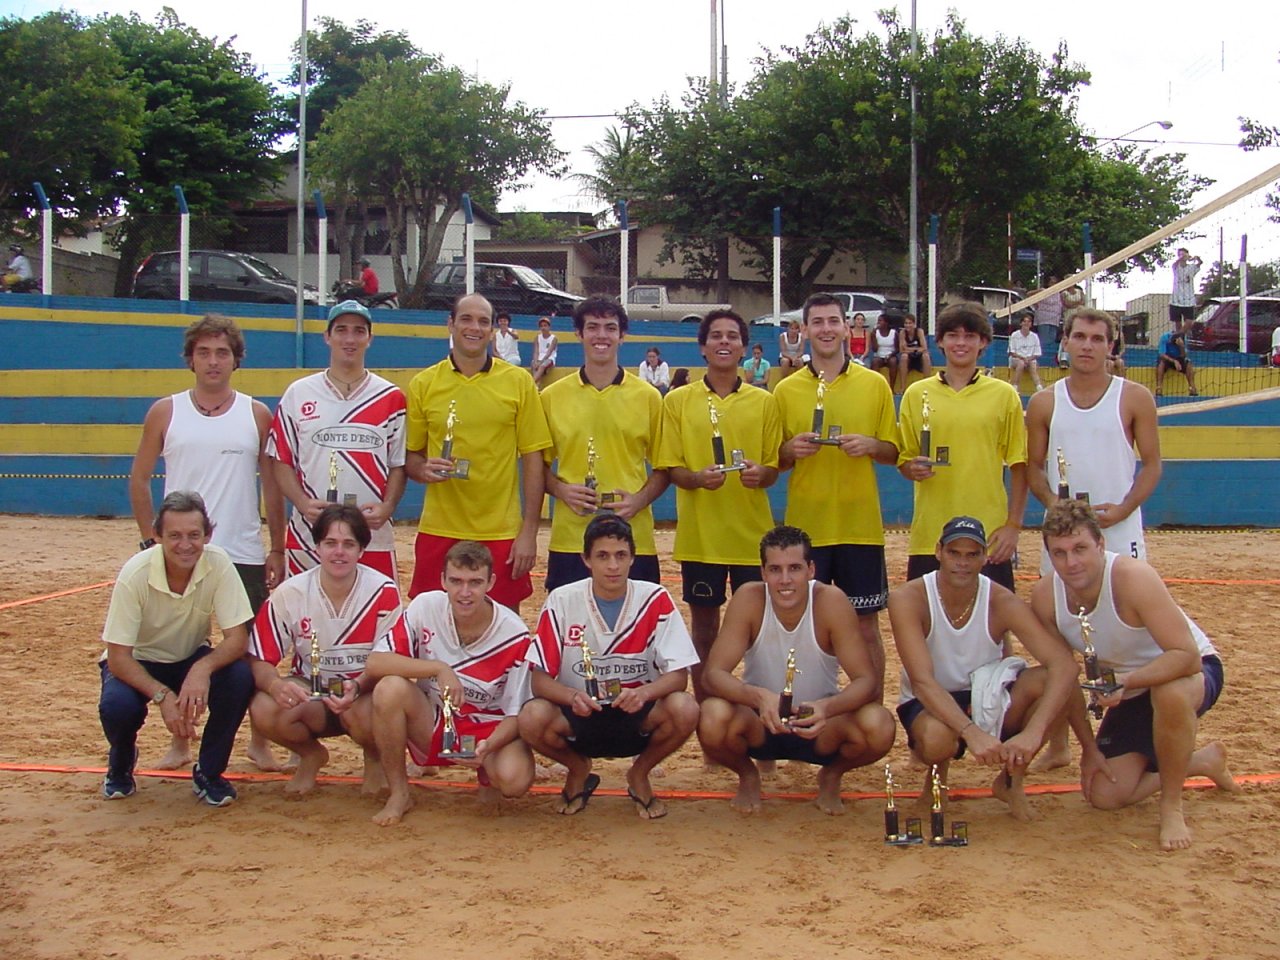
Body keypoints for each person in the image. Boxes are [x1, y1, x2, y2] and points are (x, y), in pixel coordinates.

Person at [1031, 499, 1238, 850]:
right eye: (1060, 553)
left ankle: (1171, 806)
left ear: (1100, 544)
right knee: (1105, 795)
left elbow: (1185, 656)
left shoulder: (1132, 578)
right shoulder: (1045, 597)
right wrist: (1087, 747)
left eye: (1080, 548)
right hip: (1128, 687)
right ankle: (1200, 761)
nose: (1072, 562)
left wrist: (1126, 681)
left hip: (1187, 671)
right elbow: (1063, 677)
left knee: (1169, 694)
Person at [129, 314, 286, 772]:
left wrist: (275, 546)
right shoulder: (165, 411)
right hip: (180, 552)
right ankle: (180, 742)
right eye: (204, 352)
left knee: (256, 649)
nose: (213, 361)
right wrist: (148, 541)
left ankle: (261, 740)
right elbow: (140, 479)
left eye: (222, 352)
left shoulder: (256, 414)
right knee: (179, 651)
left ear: (236, 360)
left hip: (240, 550)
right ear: (190, 359)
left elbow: (271, 487)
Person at [887, 516, 1078, 822]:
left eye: (972, 554)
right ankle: (937, 780)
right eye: (955, 553)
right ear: (938, 552)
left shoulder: (1002, 600)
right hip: (930, 701)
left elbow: (1065, 666)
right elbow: (922, 682)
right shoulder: (908, 598)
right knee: (937, 739)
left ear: (986, 557)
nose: (962, 562)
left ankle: (1012, 780)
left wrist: (1034, 732)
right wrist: (971, 733)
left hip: (986, 693)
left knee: (1050, 682)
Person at [698, 526, 896, 814]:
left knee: (879, 724)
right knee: (711, 715)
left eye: (795, 568)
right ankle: (748, 775)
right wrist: (758, 697)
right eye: (775, 570)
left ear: (811, 569)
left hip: (819, 726)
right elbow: (713, 674)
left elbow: (867, 681)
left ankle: (832, 775)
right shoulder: (749, 598)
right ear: (763, 573)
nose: (785, 579)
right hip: (760, 723)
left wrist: (826, 707)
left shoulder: (831, 601)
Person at [518, 515, 700, 819]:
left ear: (632, 558)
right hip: (580, 713)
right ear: (586, 560)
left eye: (620, 556)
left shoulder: (655, 598)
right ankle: (578, 769)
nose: (613, 566)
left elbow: (679, 677)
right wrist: (570, 697)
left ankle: (639, 774)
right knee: (531, 717)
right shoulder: (562, 601)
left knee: (686, 708)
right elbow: (539, 681)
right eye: (602, 556)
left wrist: (644, 693)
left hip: (636, 714)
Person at [774, 293, 899, 690]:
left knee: (866, 629)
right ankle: (804, 715)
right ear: (805, 330)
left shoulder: (875, 385)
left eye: (833, 321)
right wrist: (790, 449)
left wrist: (871, 446)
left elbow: (894, 452)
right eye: (818, 322)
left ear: (848, 328)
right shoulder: (786, 390)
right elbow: (774, 458)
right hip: (806, 531)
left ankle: (870, 719)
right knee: (802, 631)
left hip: (859, 528)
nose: (826, 329)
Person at [97, 491, 255, 806]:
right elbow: (118, 658)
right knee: (116, 707)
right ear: (157, 536)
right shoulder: (135, 574)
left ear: (208, 535)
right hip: (138, 661)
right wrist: (163, 696)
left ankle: (209, 772)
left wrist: (202, 669)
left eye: (194, 535)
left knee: (240, 679)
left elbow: (238, 638)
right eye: (175, 536)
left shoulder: (219, 563)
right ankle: (122, 760)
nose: (186, 545)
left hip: (189, 656)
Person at [365, 541, 537, 825]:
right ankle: (399, 792)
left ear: (491, 582)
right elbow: (376, 662)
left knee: (515, 781)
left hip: (486, 731)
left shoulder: (514, 633)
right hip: (433, 722)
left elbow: (517, 714)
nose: (465, 592)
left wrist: (489, 746)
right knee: (389, 689)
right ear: (443, 580)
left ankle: (488, 779)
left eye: (475, 582)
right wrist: (438, 668)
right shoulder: (425, 607)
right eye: (456, 581)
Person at [657, 308, 782, 698]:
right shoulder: (677, 402)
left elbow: (774, 468)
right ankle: (709, 711)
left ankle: (758, 711)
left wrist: (761, 474)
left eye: (732, 336)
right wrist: (696, 479)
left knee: (759, 629)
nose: (724, 342)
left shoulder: (765, 402)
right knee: (705, 628)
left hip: (752, 537)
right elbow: (671, 467)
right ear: (703, 347)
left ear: (744, 347)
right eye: (716, 336)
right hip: (702, 537)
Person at [403, 293, 551, 610]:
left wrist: (528, 532)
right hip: (439, 529)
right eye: (466, 319)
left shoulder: (518, 382)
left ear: (492, 329)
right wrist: (423, 470)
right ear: (451, 325)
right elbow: (411, 458)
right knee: (433, 630)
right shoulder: (423, 384)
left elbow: (534, 459)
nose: (475, 328)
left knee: (502, 630)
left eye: (484, 321)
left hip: (500, 531)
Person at [246, 505, 402, 795]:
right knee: (263, 707)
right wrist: (275, 684)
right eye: (330, 543)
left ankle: (374, 759)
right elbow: (258, 658)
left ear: (362, 550)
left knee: (387, 699)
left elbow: (391, 660)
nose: (339, 552)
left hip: (363, 695)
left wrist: (358, 686)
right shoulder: (291, 593)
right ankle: (310, 755)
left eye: (348, 544)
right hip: (313, 695)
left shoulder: (383, 591)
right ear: (317, 547)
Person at [269, 300, 407, 579]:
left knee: (375, 618)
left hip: (372, 534)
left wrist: (388, 506)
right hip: (308, 535)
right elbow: (281, 461)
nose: (349, 338)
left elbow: (398, 464)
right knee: (303, 617)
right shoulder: (299, 393)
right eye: (341, 330)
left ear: (370, 339)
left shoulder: (391, 397)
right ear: (327, 337)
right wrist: (302, 503)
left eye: (358, 331)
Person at [898, 301, 1028, 590]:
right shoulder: (916, 394)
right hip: (930, 535)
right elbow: (905, 460)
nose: (961, 343)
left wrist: (1013, 526)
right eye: (953, 335)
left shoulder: (1004, 395)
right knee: (927, 625)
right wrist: (911, 469)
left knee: (994, 627)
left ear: (983, 342)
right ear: (941, 341)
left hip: (988, 536)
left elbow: (1020, 465)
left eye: (970, 336)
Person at [542, 297, 668, 592]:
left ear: (622, 336)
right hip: (570, 539)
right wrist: (562, 490)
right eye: (593, 327)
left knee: (637, 634)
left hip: (632, 539)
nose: (601, 335)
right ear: (579, 333)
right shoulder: (551, 397)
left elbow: (665, 468)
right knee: (571, 633)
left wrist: (638, 500)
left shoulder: (648, 397)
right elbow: (538, 466)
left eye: (610, 328)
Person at [1155, 326, 1198, 397]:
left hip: (1178, 359)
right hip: (1167, 359)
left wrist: (1181, 347)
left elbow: (1184, 356)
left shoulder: (1183, 339)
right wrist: (1174, 361)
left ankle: (1192, 388)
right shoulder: (1165, 337)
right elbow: (1162, 354)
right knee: (1161, 362)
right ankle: (1159, 387)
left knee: (1188, 362)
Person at [1007, 313, 1044, 393]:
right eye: (1024, 321)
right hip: (1016, 360)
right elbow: (1011, 352)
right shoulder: (1014, 335)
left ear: (1031, 324)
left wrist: (1028, 359)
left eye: (1029, 321)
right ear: (1021, 323)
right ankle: (1015, 387)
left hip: (1030, 360)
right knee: (1021, 363)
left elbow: (1038, 353)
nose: (1026, 323)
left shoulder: (1034, 336)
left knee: (1033, 365)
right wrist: (1023, 358)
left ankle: (1039, 388)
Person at [896, 313, 932, 394]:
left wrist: (910, 349)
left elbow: (924, 348)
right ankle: (902, 388)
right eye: (906, 323)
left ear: (914, 324)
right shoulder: (902, 333)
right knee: (904, 357)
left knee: (926, 356)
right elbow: (902, 350)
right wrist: (916, 349)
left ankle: (927, 386)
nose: (908, 325)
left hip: (919, 357)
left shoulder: (919, 331)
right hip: (909, 358)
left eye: (910, 323)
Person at [1032, 275, 1066, 355]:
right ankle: (1042, 356)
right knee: (1044, 339)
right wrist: (1035, 303)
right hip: (1044, 319)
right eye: (1051, 282)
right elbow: (1029, 294)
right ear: (1048, 283)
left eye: (1055, 283)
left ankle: (1050, 357)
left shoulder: (1058, 293)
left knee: (1052, 339)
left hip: (1054, 320)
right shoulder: (1043, 290)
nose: (1053, 284)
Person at [1169, 248, 1203, 327]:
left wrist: (1197, 258)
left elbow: (1200, 263)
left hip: (1189, 300)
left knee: (1189, 322)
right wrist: (1181, 258)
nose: (1183, 256)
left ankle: (1179, 335)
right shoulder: (1176, 267)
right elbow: (1174, 265)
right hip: (1176, 300)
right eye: (1181, 254)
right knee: (1178, 323)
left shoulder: (1191, 267)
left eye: (1184, 254)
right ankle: (1179, 338)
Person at [531, 316, 558, 387]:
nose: (543, 328)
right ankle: (537, 386)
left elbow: (549, 352)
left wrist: (541, 361)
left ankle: (531, 383)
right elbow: (536, 351)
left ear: (549, 327)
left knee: (542, 366)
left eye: (545, 325)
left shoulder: (554, 338)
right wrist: (536, 361)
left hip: (549, 358)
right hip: (539, 357)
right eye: (541, 326)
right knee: (533, 364)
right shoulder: (537, 338)